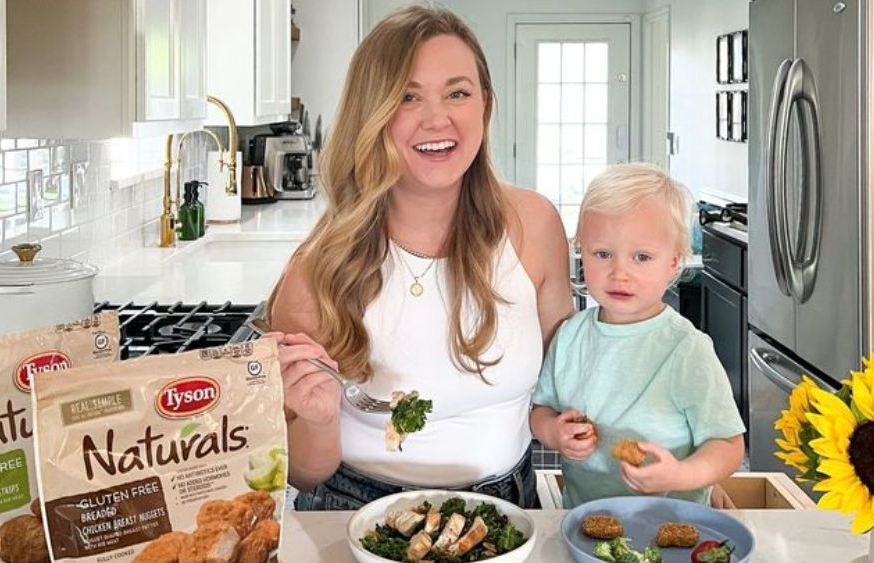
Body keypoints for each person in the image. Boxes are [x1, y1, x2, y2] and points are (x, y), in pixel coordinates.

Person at [265, 5, 573, 510]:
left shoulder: (534, 227)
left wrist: (671, 464)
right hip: (355, 512)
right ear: (374, 113)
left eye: (457, 92)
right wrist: (316, 417)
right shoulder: (316, 271)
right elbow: (304, 471)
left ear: (485, 105)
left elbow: (571, 381)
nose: (437, 118)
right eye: (407, 97)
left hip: (512, 512)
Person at [529, 163, 746, 508]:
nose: (620, 273)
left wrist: (684, 474)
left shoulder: (686, 349)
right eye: (602, 254)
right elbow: (541, 410)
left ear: (674, 262)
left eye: (642, 257)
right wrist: (554, 433)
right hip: (583, 521)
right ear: (581, 251)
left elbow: (729, 445)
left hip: (674, 521)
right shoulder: (569, 336)